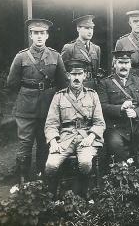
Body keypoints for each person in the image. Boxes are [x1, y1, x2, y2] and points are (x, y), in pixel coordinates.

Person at [7, 19, 68, 183]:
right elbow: (11, 83)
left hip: (48, 106)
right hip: (26, 107)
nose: (39, 36)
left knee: (44, 141)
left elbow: (63, 83)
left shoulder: (56, 56)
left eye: (42, 33)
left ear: (47, 35)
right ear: (31, 35)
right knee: (25, 143)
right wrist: (24, 95)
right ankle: (23, 180)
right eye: (36, 33)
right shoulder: (21, 57)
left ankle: (43, 177)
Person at [98, 50, 139, 200]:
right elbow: (101, 106)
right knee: (115, 143)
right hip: (116, 127)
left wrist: (137, 112)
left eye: (126, 63)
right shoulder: (105, 83)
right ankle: (125, 181)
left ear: (130, 64)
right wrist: (120, 108)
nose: (124, 66)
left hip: (137, 124)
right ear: (114, 64)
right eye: (120, 63)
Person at [44, 59, 105, 198]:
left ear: (85, 75)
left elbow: (99, 122)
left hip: (86, 137)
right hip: (65, 138)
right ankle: (51, 197)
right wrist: (53, 142)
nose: (76, 78)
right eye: (73, 74)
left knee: (85, 164)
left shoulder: (92, 95)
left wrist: (91, 137)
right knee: (51, 166)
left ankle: (84, 192)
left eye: (80, 74)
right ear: (68, 76)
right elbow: (51, 124)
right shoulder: (59, 96)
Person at [61, 15, 101, 89]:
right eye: (86, 28)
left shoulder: (96, 48)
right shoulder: (69, 48)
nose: (90, 31)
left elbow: (96, 71)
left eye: (91, 28)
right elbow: (62, 73)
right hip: (76, 87)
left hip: (92, 87)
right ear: (78, 29)